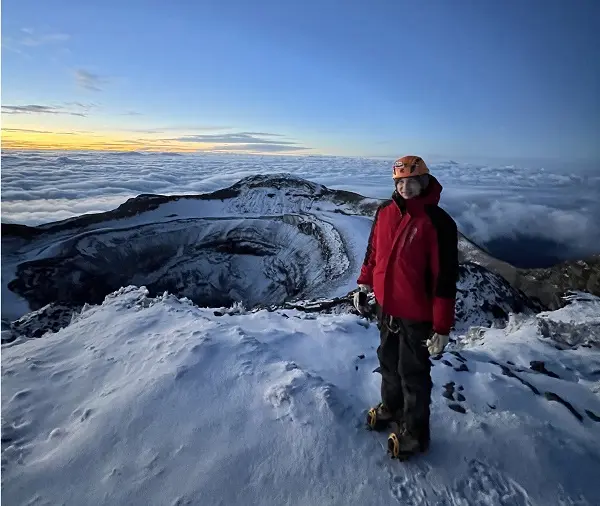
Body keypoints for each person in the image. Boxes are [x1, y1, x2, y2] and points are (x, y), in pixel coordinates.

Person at [353, 155, 459, 460]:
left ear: (424, 183)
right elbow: (374, 252)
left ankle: (414, 434)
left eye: (411, 181)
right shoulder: (385, 213)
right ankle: (392, 408)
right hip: (387, 307)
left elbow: (444, 279)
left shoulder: (438, 223)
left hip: (417, 313)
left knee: (412, 373)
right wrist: (364, 284)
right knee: (388, 362)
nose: (405, 187)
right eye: (400, 181)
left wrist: (441, 327)